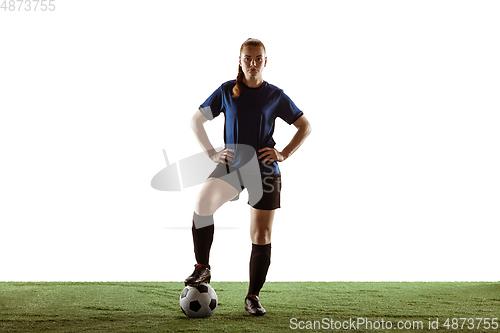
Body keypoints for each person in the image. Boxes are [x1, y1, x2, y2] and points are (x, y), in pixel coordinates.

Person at [185, 38, 311, 316]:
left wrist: (284, 154)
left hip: (264, 171)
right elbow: (196, 120)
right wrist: (211, 153)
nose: (252, 63)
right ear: (240, 61)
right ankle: (202, 267)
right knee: (202, 205)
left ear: (265, 62)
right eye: (247, 58)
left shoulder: (276, 95)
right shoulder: (227, 91)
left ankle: (252, 296)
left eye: (258, 59)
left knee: (261, 234)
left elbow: (304, 125)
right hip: (232, 166)